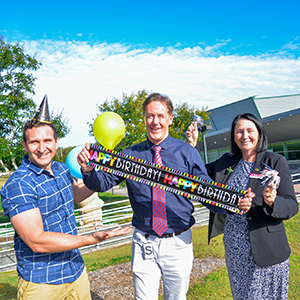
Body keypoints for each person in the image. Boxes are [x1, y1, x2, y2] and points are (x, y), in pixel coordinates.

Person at [78, 93, 252, 300]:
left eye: (161, 116)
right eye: (150, 116)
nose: (155, 121)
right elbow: (103, 183)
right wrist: (89, 171)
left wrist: (233, 202)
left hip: (178, 242)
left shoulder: (187, 152)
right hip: (144, 241)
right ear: (144, 119)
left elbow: (206, 192)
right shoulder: (129, 155)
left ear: (170, 118)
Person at [0, 96, 132, 300]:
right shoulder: (19, 184)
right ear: (25, 145)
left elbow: (78, 195)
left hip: (76, 273)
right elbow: (36, 241)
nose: (41, 148)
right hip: (41, 282)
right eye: (34, 142)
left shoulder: (61, 169)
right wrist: (91, 239)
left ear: (56, 142)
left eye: (47, 141)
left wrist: (109, 177)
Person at [186, 112, 299, 299]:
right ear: (234, 137)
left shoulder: (274, 161)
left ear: (259, 134)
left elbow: (291, 205)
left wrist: (272, 202)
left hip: (267, 250)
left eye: (249, 130)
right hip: (235, 249)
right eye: (239, 132)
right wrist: (192, 147)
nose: (244, 136)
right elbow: (200, 177)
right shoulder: (226, 162)